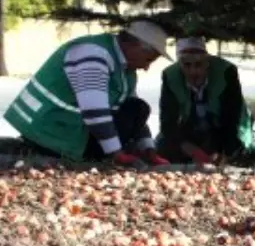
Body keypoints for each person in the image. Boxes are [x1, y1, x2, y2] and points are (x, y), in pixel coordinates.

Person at [4, 20, 172, 166]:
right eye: (148, 59)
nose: (146, 67)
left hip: (67, 129)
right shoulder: (93, 54)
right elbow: (95, 112)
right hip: (50, 130)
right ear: (134, 45)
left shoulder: (126, 69)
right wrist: (116, 154)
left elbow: (134, 114)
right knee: (135, 108)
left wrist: (148, 149)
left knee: (136, 108)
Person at [156, 37, 255, 165]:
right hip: (190, 126)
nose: (193, 71)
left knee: (234, 150)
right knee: (164, 147)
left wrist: (224, 152)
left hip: (220, 126)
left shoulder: (227, 72)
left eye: (198, 64)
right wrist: (190, 150)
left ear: (207, 62)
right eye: (187, 65)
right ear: (179, 65)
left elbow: (232, 117)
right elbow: (167, 121)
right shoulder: (170, 76)